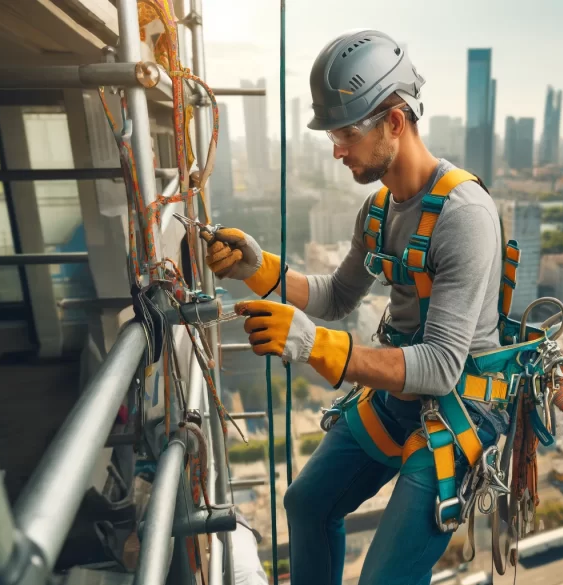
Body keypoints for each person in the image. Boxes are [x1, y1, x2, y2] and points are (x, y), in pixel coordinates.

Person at [206, 29, 511, 585]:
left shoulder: (463, 214)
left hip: (462, 403)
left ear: (395, 122)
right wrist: (258, 269)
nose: (337, 149)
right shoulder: (378, 210)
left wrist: (318, 347)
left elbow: (442, 366)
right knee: (306, 504)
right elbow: (338, 295)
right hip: (400, 389)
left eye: (346, 132)